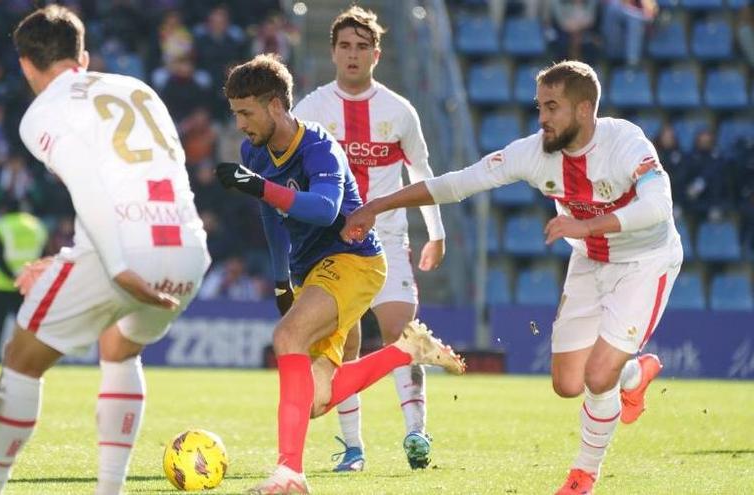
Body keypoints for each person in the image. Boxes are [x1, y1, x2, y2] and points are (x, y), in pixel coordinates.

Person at [341, 60, 682, 495]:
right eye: (539, 106)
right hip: (589, 260)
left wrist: (586, 226)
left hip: (644, 262)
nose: (542, 118)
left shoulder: (625, 142)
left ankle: (583, 476)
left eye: (552, 107)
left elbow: (658, 207)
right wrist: (378, 205)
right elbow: (459, 183)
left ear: (583, 110)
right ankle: (633, 375)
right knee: (566, 384)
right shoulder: (534, 152)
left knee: (597, 378)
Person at [0, 6, 210, 495]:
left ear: (26, 65)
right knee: (118, 346)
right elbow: (145, 179)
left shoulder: (42, 112)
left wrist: (114, 264)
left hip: (124, 251)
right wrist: (75, 259)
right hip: (187, 248)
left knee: (22, 358)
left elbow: (89, 184)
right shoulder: (139, 88)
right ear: (84, 57)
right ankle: (108, 491)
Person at [218, 54, 465, 494]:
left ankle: (289, 475)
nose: (240, 123)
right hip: (310, 271)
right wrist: (280, 279)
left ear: (276, 105)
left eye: (246, 112)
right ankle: (405, 351)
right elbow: (272, 215)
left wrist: (259, 185)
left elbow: (325, 209)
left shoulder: (318, 147)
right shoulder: (254, 150)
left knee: (286, 338)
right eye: (236, 112)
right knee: (316, 399)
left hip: (354, 260)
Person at [292, 6, 446, 471]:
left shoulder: (399, 111)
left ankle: (416, 433)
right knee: (344, 345)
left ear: (376, 54)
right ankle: (353, 448)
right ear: (333, 51)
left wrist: (435, 234)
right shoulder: (312, 109)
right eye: (345, 46)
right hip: (331, 248)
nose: (353, 55)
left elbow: (423, 175)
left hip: (389, 240)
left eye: (362, 47)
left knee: (400, 334)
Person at [0, 197, 47, 363]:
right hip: (28, 284)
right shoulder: (37, 226)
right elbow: (43, 255)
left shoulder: (1, 225)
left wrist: (11, 275)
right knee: (28, 325)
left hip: (1, 284)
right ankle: (30, 357)